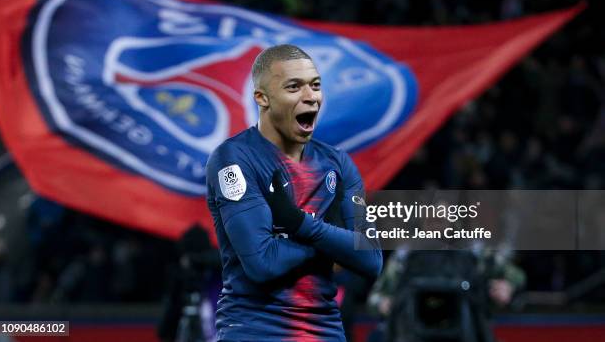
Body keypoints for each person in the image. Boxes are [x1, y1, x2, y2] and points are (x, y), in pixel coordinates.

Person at [205, 44, 382, 341]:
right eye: (294, 87)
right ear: (262, 98)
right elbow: (263, 263)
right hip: (254, 331)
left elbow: (371, 260)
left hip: (325, 333)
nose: (310, 96)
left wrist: (299, 224)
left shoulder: (337, 164)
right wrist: (332, 240)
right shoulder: (235, 159)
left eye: (315, 85)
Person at [367, 247, 526, 342]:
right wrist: (386, 304)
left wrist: (508, 287)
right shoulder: (405, 256)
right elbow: (375, 298)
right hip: (414, 333)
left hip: (465, 333)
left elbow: (517, 276)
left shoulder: (476, 253)